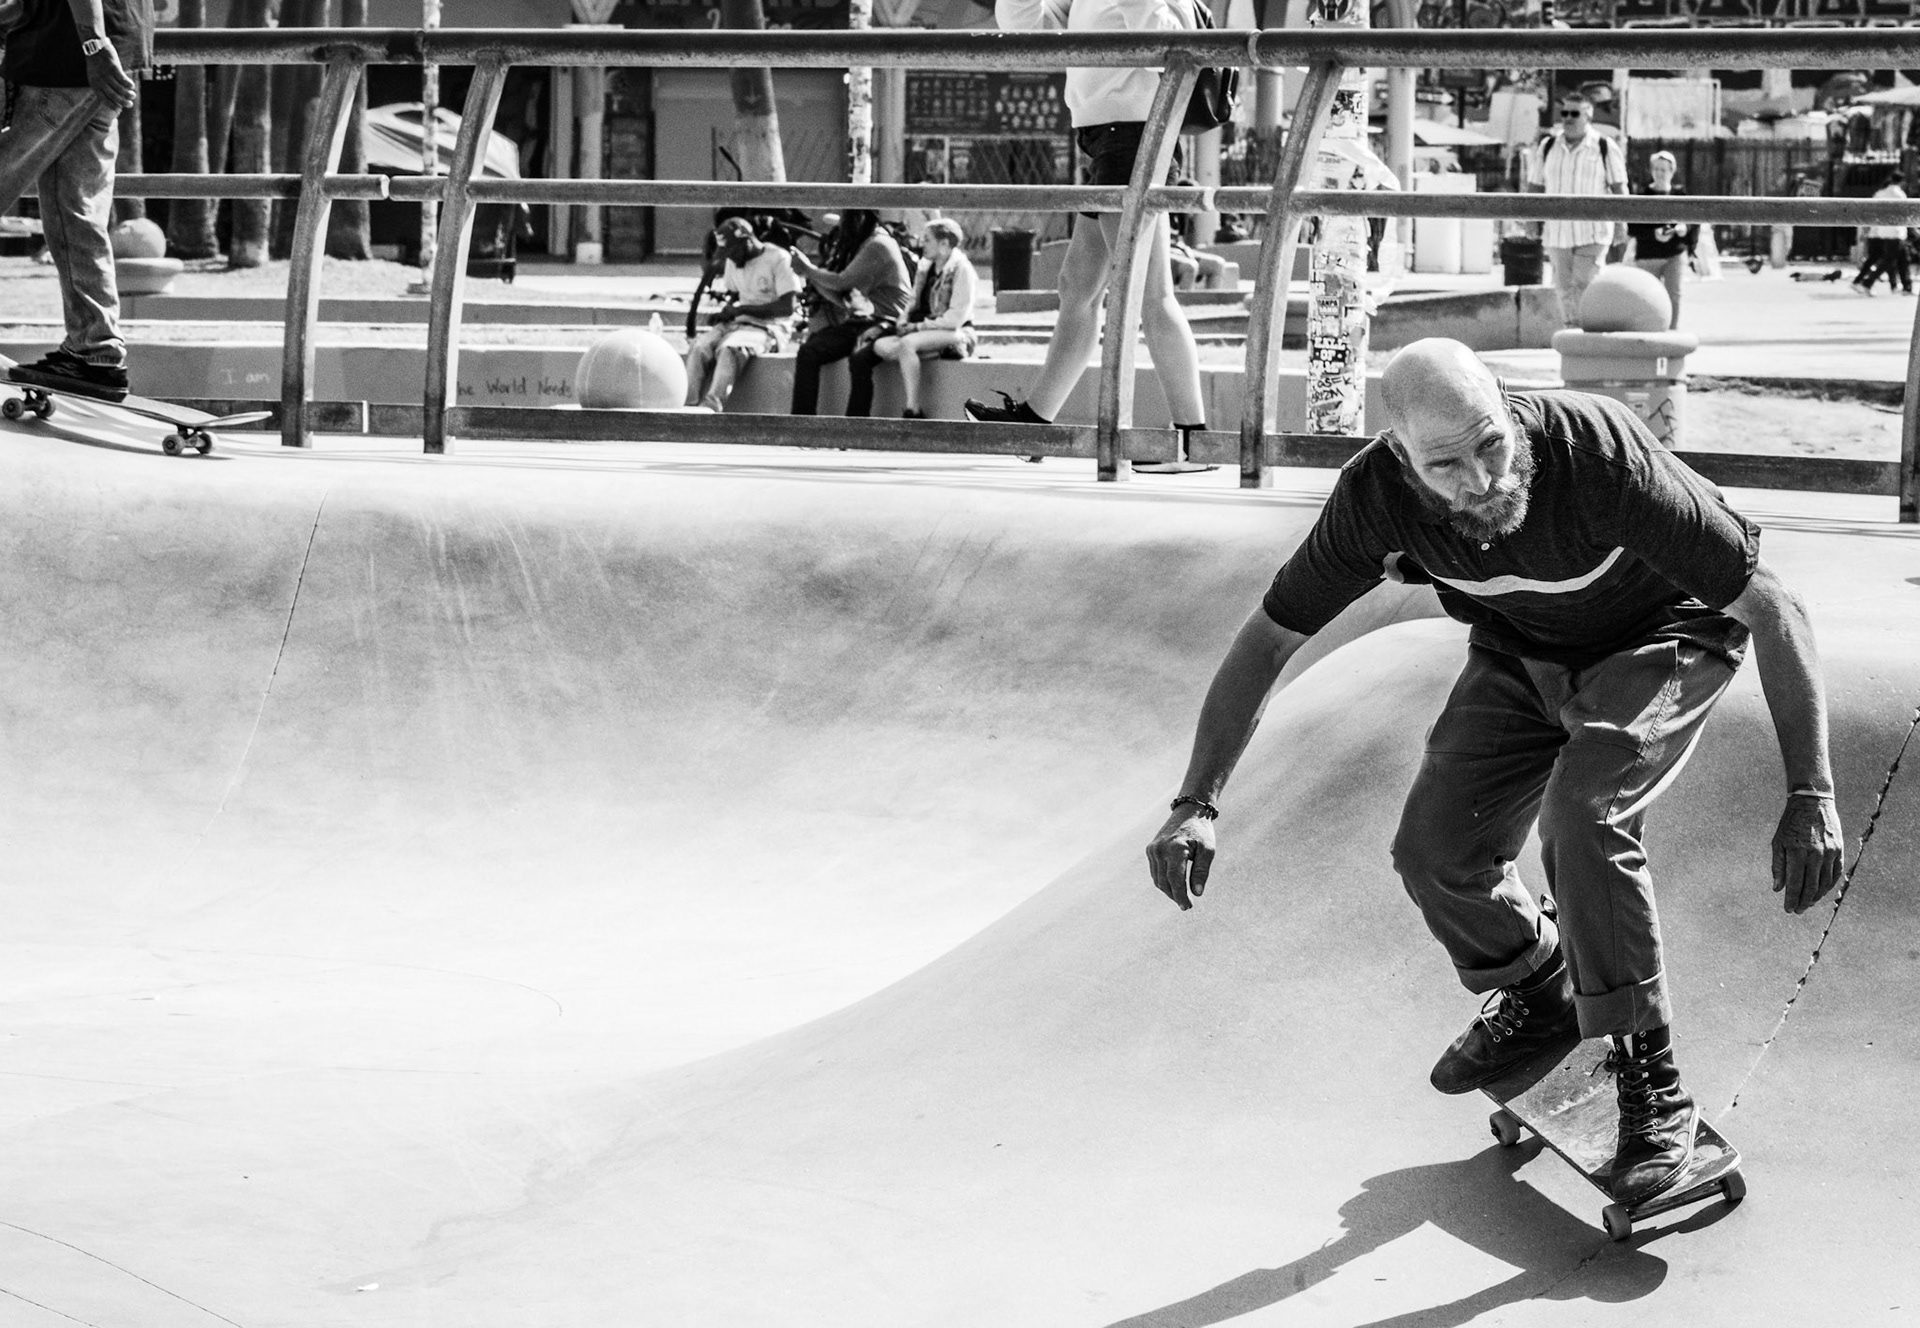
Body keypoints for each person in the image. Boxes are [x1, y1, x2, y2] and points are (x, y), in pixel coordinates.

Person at [1144, 338, 1842, 1209]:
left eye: (1491, 444)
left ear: (1507, 410)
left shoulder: (1597, 458)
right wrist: (1195, 803)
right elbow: (1269, 639)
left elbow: (1774, 606)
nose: (1480, 478)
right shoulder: (1373, 503)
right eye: (1447, 464)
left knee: (1583, 820)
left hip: (1664, 635)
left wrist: (1810, 793)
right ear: (1400, 457)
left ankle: (1651, 1084)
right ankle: (1538, 981)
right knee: (1434, 852)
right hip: (1521, 648)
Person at [962, 0, 1210, 473]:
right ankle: (1036, 423)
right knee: (1077, 286)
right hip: (1104, 138)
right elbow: (1026, 26)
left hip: (1137, 134)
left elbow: (1170, 41)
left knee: (1148, 293)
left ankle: (1191, 440)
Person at [0, 0, 148, 403]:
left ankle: (94, 347)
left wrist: (93, 45)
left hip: (67, 59)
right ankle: (95, 350)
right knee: (76, 210)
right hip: (103, 51)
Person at [844, 218, 979, 420]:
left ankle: (913, 410)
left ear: (944, 244)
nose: (921, 243)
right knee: (880, 345)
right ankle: (935, 351)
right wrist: (903, 322)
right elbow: (912, 303)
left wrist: (916, 328)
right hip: (924, 332)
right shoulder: (925, 269)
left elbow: (955, 319)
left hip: (957, 332)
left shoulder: (962, 270)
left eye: (927, 240)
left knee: (906, 344)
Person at [786, 208, 911, 416]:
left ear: (861, 218)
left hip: (886, 321)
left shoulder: (878, 244)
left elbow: (842, 280)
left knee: (859, 357)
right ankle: (802, 423)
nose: (843, 227)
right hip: (861, 320)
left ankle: (853, 427)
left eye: (847, 219)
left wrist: (808, 269)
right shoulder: (863, 243)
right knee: (809, 351)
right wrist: (814, 279)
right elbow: (844, 298)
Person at [1526, 92, 1628, 326]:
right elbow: (1534, 185)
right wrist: (1530, 219)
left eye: (1575, 113)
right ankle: (1572, 330)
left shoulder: (1604, 146)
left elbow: (1619, 188)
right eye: (1565, 113)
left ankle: (1586, 330)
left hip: (1592, 232)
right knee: (1562, 287)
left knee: (1584, 283)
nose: (1568, 118)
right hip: (1558, 232)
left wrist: (1623, 223)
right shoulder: (1548, 146)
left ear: (1588, 115)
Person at [682, 216, 800, 413]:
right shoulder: (733, 260)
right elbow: (736, 293)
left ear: (748, 240)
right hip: (739, 322)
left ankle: (711, 407)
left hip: (769, 327)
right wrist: (727, 312)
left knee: (730, 349)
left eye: (733, 251)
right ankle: (686, 405)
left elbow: (787, 307)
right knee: (700, 348)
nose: (731, 257)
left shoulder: (778, 258)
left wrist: (742, 310)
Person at [1624, 149, 1698, 328]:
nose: (1660, 173)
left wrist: (1684, 229)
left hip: (1674, 253)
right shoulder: (1642, 196)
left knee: (1674, 294)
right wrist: (1653, 234)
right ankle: (1650, 330)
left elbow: (1694, 223)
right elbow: (1633, 228)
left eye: (1664, 170)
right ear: (1651, 171)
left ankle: (1671, 332)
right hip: (1648, 254)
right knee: (1648, 296)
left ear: (1672, 172)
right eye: (1656, 169)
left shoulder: (1681, 196)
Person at [1852, 171, 1912, 296]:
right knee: (1890, 261)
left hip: (1883, 231)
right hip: (1896, 232)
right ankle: (1867, 283)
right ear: (1902, 182)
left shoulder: (1880, 193)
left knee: (1901, 259)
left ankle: (1906, 287)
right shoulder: (1900, 194)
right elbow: (1906, 214)